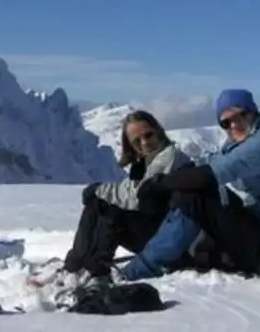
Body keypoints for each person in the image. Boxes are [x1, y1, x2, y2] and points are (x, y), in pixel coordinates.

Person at [119, 88, 260, 281]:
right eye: (226, 123)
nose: (233, 125)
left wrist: (159, 184)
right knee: (196, 191)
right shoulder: (243, 142)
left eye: (240, 116)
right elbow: (212, 161)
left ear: (253, 112)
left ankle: (138, 270)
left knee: (195, 196)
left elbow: (208, 175)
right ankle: (159, 253)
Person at [31, 110, 192, 288]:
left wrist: (100, 190)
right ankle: (75, 266)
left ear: (158, 131)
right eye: (137, 141)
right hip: (158, 230)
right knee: (100, 203)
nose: (144, 143)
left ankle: (95, 272)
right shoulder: (148, 162)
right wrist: (101, 193)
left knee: (111, 209)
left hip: (171, 240)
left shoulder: (169, 157)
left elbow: (140, 194)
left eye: (148, 135)